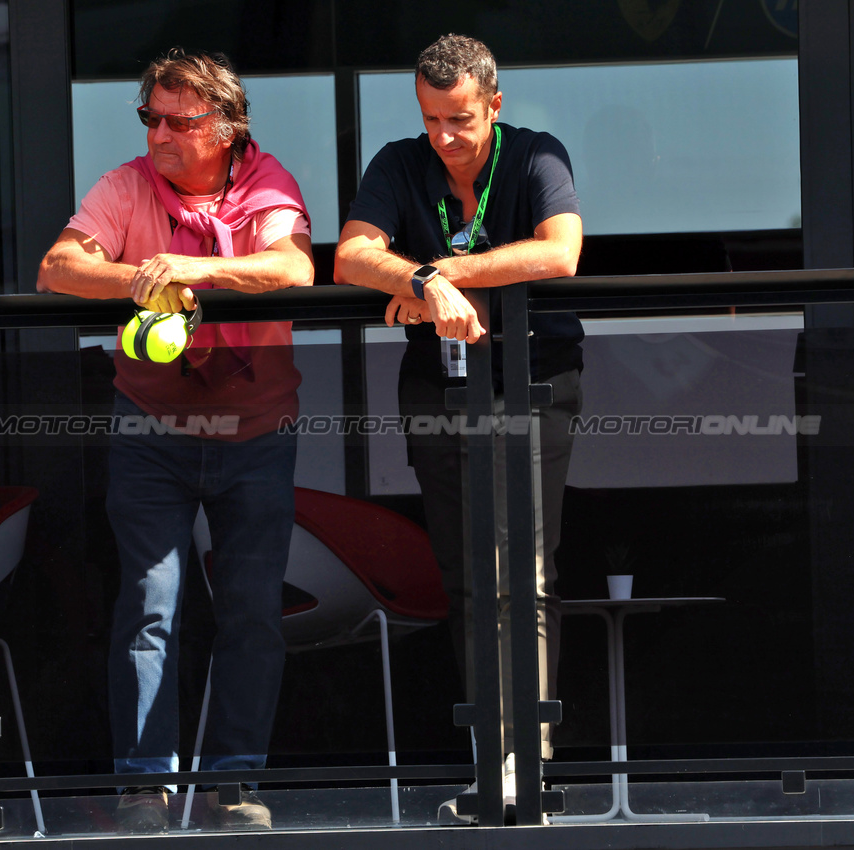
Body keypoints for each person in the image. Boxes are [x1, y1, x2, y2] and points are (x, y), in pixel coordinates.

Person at [38, 48, 313, 833]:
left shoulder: (266, 181)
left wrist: (184, 269)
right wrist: (135, 277)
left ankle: (233, 786)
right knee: (148, 608)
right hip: (150, 428)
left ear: (225, 128)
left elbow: (291, 268)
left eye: (178, 121)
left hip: (255, 431)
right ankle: (144, 791)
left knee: (252, 611)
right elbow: (58, 267)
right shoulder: (126, 184)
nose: (159, 133)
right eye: (150, 117)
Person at [333, 33, 583, 824]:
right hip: (438, 389)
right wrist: (411, 279)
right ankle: (490, 760)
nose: (444, 137)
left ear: (494, 105)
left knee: (524, 573)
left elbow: (559, 253)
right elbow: (349, 258)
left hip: (534, 380)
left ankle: (525, 762)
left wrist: (439, 277)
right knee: (469, 574)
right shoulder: (398, 163)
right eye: (431, 119)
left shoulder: (538, 154)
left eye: (461, 120)